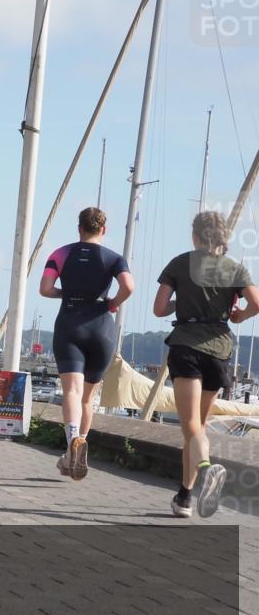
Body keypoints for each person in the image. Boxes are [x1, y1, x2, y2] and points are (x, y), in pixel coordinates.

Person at [153, 211, 259, 517]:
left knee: (190, 426)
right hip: (219, 351)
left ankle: (207, 466)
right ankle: (184, 497)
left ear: (196, 236)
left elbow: (159, 308)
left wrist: (181, 301)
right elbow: (256, 303)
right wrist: (239, 316)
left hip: (187, 345)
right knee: (198, 426)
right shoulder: (235, 268)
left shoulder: (179, 263)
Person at [40, 207, 133, 481]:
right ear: (103, 230)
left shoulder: (61, 253)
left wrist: (66, 292)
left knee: (71, 391)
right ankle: (79, 444)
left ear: (79, 228)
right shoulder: (115, 258)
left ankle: (72, 443)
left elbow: (44, 289)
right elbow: (129, 286)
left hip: (70, 321)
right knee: (87, 398)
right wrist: (113, 303)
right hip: (102, 326)